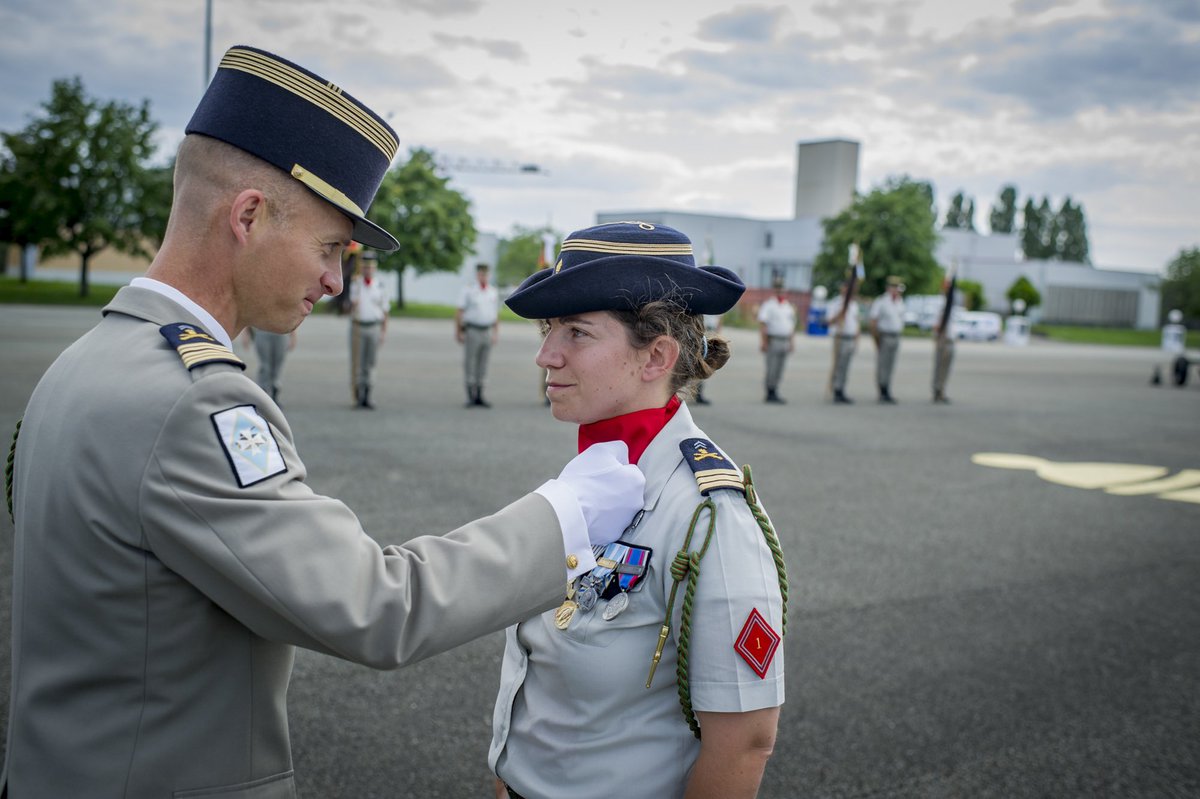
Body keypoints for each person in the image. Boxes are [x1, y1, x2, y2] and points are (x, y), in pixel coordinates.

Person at [1, 45, 645, 799]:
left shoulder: (90, 358)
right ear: (247, 216)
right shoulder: (193, 402)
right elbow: (376, 606)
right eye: (329, 246)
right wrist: (566, 517)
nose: (336, 280)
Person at [492, 222, 787, 799]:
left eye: (577, 332)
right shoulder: (595, 474)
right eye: (550, 330)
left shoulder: (710, 515)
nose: (545, 355)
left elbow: (744, 740)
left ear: (656, 356)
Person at [456, 262, 500, 407]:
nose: (483, 277)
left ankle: (480, 394)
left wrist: (495, 332)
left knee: (484, 363)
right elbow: (460, 312)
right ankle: (470, 394)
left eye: (486, 274)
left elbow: (495, 314)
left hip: (487, 330)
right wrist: (458, 331)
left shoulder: (492, 291)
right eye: (481, 274)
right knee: (470, 362)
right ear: (477, 275)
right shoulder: (469, 290)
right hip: (472, 330)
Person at [349, 250, 390, 409]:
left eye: (371, 267)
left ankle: (368, 394)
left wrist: (384, 331)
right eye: (365, 267)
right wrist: (353, 303)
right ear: (362, 268)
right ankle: (358, 395)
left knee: (371, 362)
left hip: (374, 326)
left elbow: (385, 311)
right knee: (358, 362)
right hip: (358, 326)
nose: (368, 270)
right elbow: (348, 307)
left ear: (375, 268)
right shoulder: (356, 284)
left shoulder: (380, 286)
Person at [756, 273, 796, 403]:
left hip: (785, 340)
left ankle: (775, 389)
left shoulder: (787, 306)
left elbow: (791, 326)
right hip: (773, 339)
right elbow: (763, 323)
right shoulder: (769, 305)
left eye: (782, 289)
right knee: (772, 367)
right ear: (774, 290)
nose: (780, 291)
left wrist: (792, 342)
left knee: (780, 367)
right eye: (778, 289)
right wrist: (763, 341)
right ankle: (770, 391)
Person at [868, 276, 906, 403]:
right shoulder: (881, 301)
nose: (896, 290)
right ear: (888, 288)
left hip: (896, 336)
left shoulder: (900, 301)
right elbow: (873, 321)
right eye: (893, 287)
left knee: (891, 364)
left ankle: (887, 388)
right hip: (884, 335)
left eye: (897, 287)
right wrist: (876, 339)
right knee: (882, 365)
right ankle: (882, 390)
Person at [825, 280, 861, 404]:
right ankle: (836, 389)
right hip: (840, 337)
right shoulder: (836, 303)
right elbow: (829, 321)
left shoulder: (853, 304)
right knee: (838, 365)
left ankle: (841, 389)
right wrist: (840, 313)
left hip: (850, 338)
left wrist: (857, 340)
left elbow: (856, 323)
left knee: (846, 366)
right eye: (847, 288)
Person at [245, 327, 296, 403]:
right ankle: (263, 393)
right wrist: (246, 334)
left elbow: (290, 319)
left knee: (277, 365)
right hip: (263, 332)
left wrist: (293, 336)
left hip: (281, 333)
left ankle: (275, 392)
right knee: (265, 366)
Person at [933, 273, 958, 403]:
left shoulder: (951, 303)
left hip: (951, 339)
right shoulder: (941, 302)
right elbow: (936, 323)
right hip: (943, 338)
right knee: (940, 366)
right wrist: (938, 337)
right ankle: (937, 390)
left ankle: (942, 389)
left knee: (946, 367)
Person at [694, 312, 723, 404]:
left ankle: (698, 392)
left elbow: (719, 319)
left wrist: (718, 335)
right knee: (698, 361)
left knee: (705, 361)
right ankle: (695, 392)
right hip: (702, 330)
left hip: (712, 331)